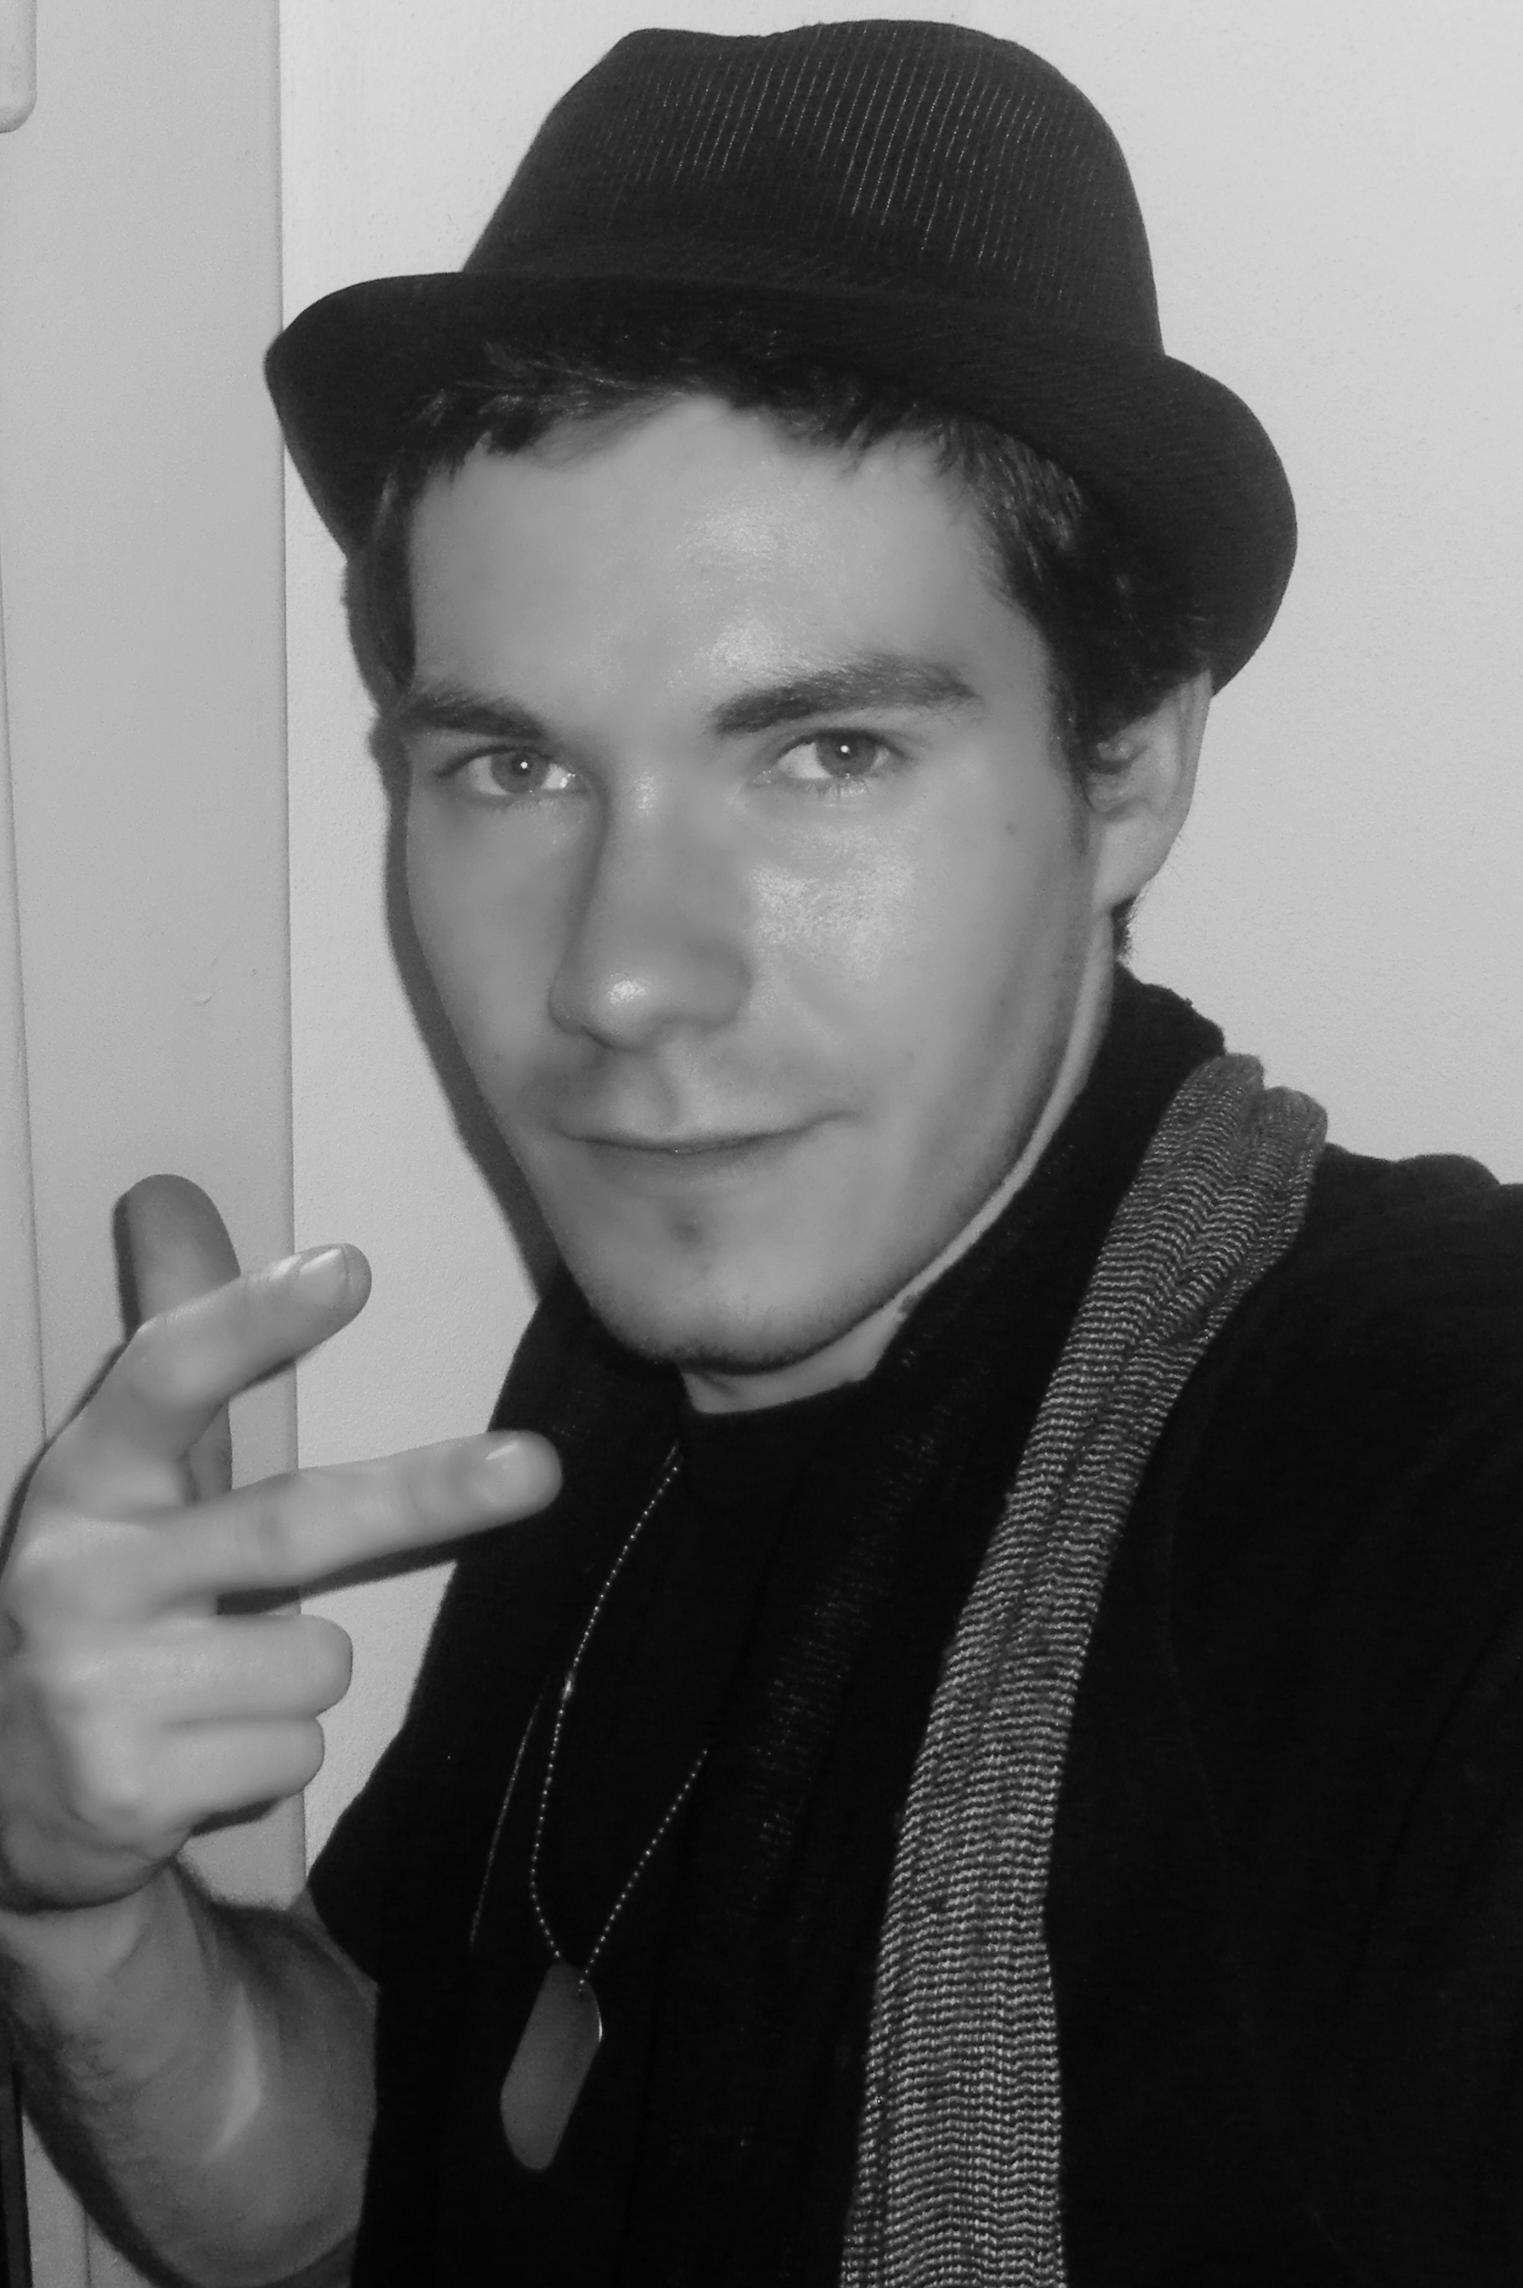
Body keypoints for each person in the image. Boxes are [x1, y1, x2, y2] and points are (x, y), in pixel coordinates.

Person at [1, 19, 1519, 2286]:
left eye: (825, 754)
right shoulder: (633, 1363)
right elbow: (349, 2186)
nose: (622, 979)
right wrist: (76, 1901)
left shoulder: (1422, 1484)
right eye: (514, 769)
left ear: (1128, 767)